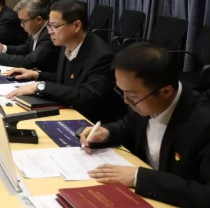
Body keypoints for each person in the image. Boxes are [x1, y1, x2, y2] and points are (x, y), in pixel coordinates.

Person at [80, 44, 210, 208]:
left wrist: (139, 177)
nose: (126, 101)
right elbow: (128, 126)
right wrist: (106, 133)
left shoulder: (203, 123)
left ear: (165, 92)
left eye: (132, 96)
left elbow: (205, 193)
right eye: (122, 91)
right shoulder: (145, 100)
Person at [4, 0, 127, 123]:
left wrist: (41, 86)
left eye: (55, 26)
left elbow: (86, 96)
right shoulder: (66, 44)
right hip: (69, 111)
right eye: (49, 25)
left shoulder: (102, 56)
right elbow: (66, 80)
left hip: (91, 122)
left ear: (76, 26)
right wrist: (36, 75)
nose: (50, 31)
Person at [0, 0, 60, 72]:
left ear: (38, 20)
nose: (21, 25)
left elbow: (29, 61)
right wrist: (3, 48)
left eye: (23, 21)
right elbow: (24, 49)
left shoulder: (49, 35)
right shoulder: (36, 30)